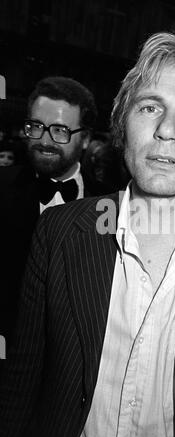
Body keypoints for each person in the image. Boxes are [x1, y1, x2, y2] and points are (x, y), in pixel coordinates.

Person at [0, 31, 175, 437]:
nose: (166, 130)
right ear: (122, 127)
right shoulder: (60, 231)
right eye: (150, 107)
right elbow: (21, 382)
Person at [0, 76, 98, 346]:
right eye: (36, 127)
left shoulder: (111, 203)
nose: (45, 140)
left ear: (86, 139)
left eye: (60, 131)